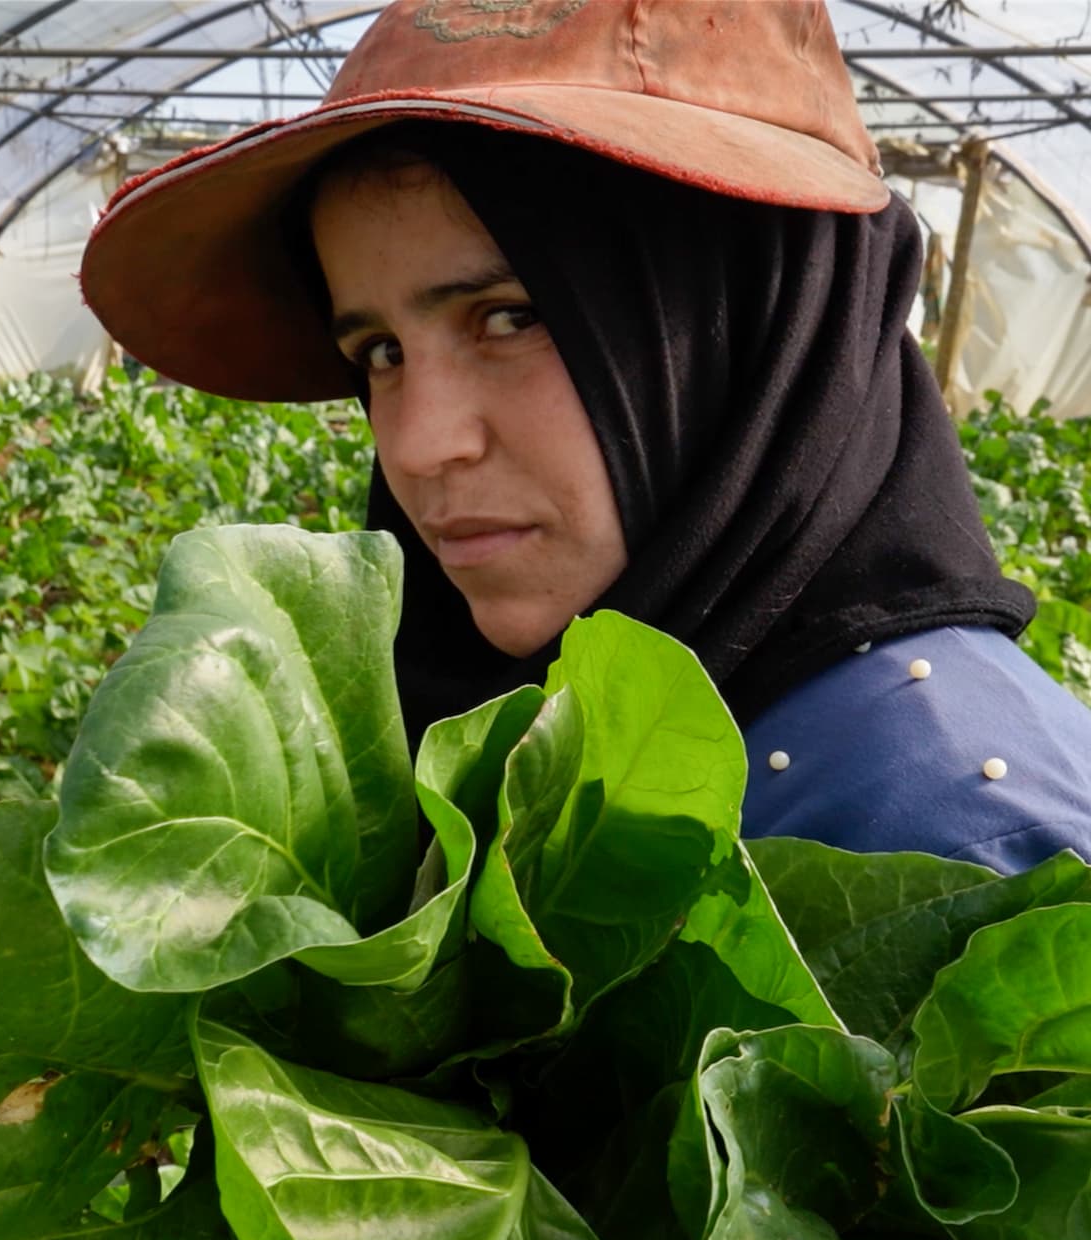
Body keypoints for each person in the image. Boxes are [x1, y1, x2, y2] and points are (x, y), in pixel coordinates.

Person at [79, 0, 1091, 873]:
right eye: (380, 350)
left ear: (756, 328)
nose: (422, 444)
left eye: (513, 316)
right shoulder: (477, 737)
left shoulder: (978, 854)